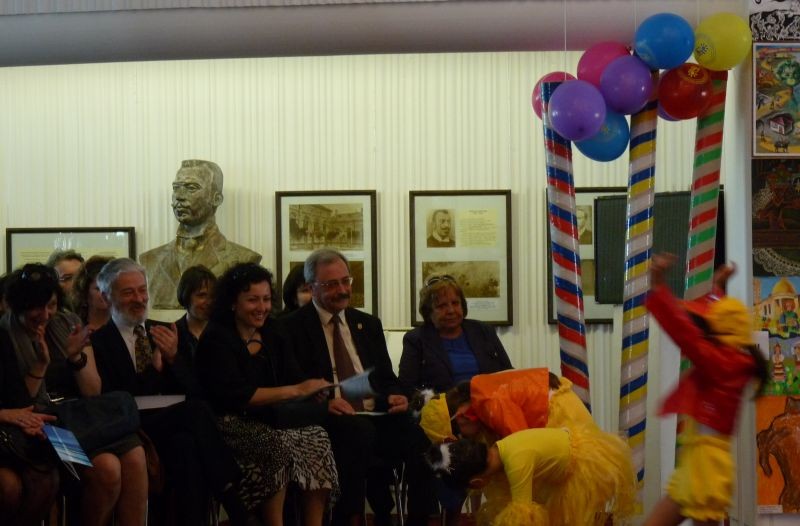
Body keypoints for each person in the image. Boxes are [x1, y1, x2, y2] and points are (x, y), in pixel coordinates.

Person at [91, 258, 254, 526]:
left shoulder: (164, 331)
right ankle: (233, 498)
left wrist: (174, 358)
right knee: (196, 413)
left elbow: (195, 390)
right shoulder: (99, 342)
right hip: (131, 428)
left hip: (171, 424)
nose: (139, 299)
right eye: (128, 292)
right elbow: (117, 402)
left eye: (142, 290)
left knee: (187, 446)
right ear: (107, 297)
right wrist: (155, 370)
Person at [280, 248, 434, 526]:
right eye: (331, 284)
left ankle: (418, 520)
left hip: (376, 415)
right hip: (330, 419)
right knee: (358, 434)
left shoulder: (368, 324)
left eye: (345, 281)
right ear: (311, 287)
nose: (342, 290)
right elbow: (291, 385)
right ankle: (349, 518)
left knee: (418, 439)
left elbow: (386, 379)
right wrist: (324, 403)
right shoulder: (290, 328)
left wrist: (396, 396)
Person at [1, 263, 148, 526]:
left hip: (80, 419)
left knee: (135, 455)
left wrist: (75, 357)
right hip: (48, 428)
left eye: (51, 305)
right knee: (107, 469)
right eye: (36, 307)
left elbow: (92, 391)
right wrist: (41, 365)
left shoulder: (69, 324)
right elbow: (24, 403)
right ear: (18, 305)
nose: (45, 314)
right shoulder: (7, 334)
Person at [195, 262, 339, 525]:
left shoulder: (273, 330)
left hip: (272, 417)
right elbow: (239, 397)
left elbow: (293, 378)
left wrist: (311, 392)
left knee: (317, 437)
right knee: (275, 448)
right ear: (233, 303)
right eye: (253, 300)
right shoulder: (217, 338)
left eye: (266, 299)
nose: (261, 307)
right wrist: (297, 390)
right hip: (230, 424)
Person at [643, 254, 769, 526]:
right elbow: (711, 319)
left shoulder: (722, 362)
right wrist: (717, 288)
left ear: (719, 330)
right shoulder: (732, 356)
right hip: (700, 462)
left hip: (706, 467)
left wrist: (658, 284)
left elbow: (684, 330)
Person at [427, 425, 635, 526]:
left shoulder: (516, 462)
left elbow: (524, 520)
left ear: (477, 482)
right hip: (564, 466)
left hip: (583, 471)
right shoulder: (500, 450)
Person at [139, 159, 262, 309]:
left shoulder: (243, 259)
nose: (179, 196)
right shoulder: (149, 260)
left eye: (191, 188)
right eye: (176, 188)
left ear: (216, 199)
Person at [399, 274, 512, 394]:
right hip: (442, 404)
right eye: (442, 306)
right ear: (428, 312)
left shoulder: (483, 330)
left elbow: (508, 373)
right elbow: (407, 388)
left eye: (455, 303)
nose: (451, 310)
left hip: (489, 401)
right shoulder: (416, 339)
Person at [0, 327, 60, 525]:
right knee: (8, 486)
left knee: (46, 477)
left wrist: (27, 419)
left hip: (6, 433)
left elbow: (18, 399)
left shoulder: (2, 335)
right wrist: (5, 415)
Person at [175, 265, 217, 364]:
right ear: (185, 296)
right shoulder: (174, 334)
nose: (209, 302)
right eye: (202, 295)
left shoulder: (223, 331)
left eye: (212, 296)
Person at [71, 255, 113, 332]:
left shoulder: (125, 326)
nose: (105, 293)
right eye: (98, 289)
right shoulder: (74, 326)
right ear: (85, 292)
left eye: (110, 287)